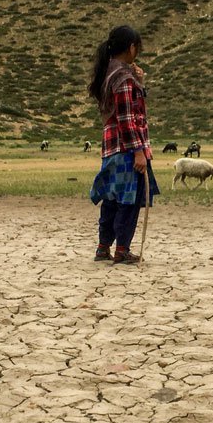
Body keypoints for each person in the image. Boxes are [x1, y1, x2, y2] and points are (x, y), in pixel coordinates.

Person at [88, 25, 158, 264]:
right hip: (127, 149)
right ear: (131, 48)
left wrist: (139, 80)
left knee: (111, 198)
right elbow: (128, 119)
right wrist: (138, 151)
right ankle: (122, 250)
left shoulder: (108, 74)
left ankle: (103, 247)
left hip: (110, 149)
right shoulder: (124, 79)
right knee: (128, 200)